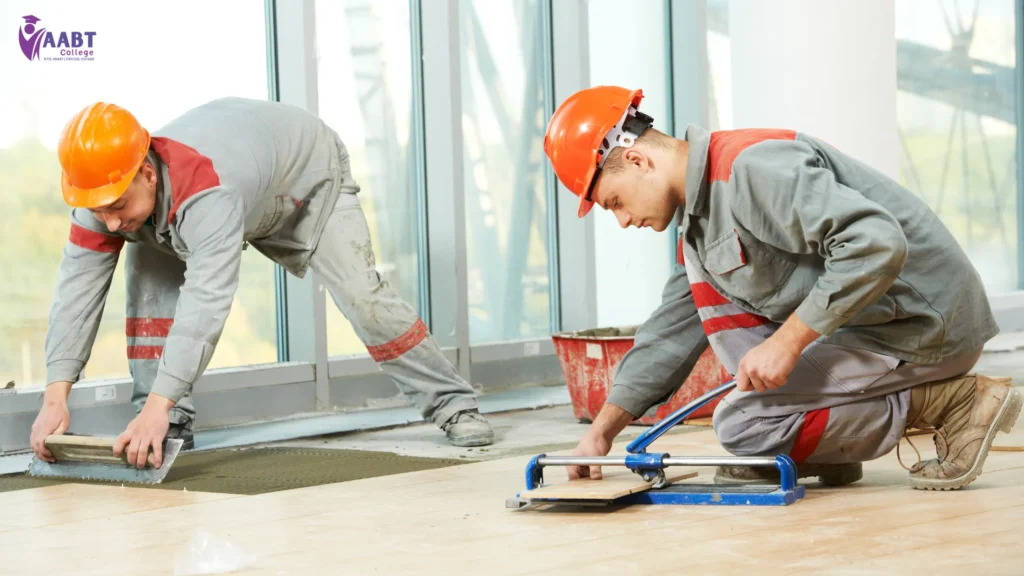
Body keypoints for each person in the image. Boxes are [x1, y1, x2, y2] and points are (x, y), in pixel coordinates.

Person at [544, 85, 1021, 491]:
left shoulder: (752, 167)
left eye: (614, 203)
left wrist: (787, 343)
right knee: (706, 305)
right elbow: (669, 333)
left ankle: (957, 402)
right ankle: (827, 451)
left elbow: (874, 242)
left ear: (637, 158)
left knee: (744, 423)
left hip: (924, 328)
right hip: (876, 332)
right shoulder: (699, 227)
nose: (624, 221)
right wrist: (602, 434)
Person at [30, 98, 494, 468]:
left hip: (305, 178)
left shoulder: (207, 191)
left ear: (147, 172)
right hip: (237, 178)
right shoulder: (102, 192)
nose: (109, 223)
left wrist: (151, 406)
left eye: (116, 207)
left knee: (362, 296)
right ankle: (169, 421)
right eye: (100, 211)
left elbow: (205, 306)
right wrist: (55, 397)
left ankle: (454, 404)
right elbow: (76, 293)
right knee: (148, 285)